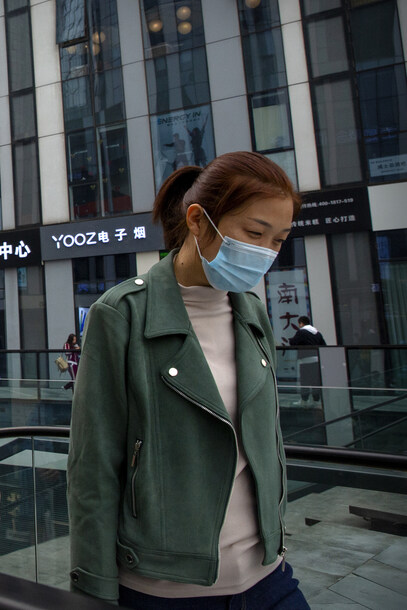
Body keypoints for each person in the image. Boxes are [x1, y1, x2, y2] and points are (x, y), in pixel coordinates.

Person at [68, 151, 308, 608]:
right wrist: (92, 591)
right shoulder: (121, 314)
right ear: (198, 221)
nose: (265, 253)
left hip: (269, 576)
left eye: (278, 240)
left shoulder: (252, 312)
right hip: (167, 587)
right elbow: (93, 466)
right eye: (254, 233)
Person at [289, 316, 326, 404]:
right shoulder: (317, 333)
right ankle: (316, 400)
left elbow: (293, 343)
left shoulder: (301, 332)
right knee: (315, 382)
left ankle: (304, 400)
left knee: (305, 382)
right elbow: (324, 345)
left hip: (305, 360)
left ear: (301, 323)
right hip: (317, 360)